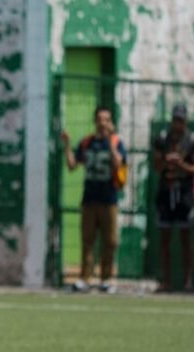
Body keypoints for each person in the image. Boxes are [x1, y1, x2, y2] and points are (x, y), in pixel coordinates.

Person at [60, 106, 128, 293]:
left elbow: (118, 163)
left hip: (109, 199)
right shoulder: (87, 143)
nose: (102, 123)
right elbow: (72, 165)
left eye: (106, 119)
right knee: (87, 240)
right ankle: (84, 278)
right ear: (95, 120)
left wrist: (110, 143)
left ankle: (107, 279)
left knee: (110, 241)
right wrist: (67, 145)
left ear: (111, 122)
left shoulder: (116, 142)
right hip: (89, 199)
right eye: (99, 119)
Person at [152, 103, 194, 292]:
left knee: (185, 239)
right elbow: (156, 166)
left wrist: (181, 165)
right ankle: (166, 280)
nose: (178, 123)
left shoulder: (192, 140)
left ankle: (187, 281)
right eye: (175, 119)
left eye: (181, 120)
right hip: (166, 191)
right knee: (165, 239)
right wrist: (166, 162)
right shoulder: (163, 139)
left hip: (184, 193)